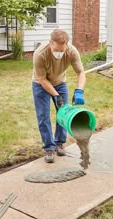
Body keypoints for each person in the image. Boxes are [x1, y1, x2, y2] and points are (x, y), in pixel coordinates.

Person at [32, 29, 86, 163]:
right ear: (50, 43)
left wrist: (79, 90)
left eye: (62, 50)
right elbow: (42, 78)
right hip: (40, 84)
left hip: (60, 82)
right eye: (57, 50)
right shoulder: (40, 54)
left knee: (63, 113)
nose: (59, 54)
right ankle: (49, 147)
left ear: (67, 44)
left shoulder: (72, 51)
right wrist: (55, 95)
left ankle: (60, 143)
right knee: (43, 115)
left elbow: (81, 72)